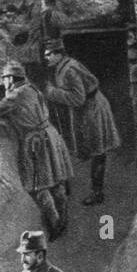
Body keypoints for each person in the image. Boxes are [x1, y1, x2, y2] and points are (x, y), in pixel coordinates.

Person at [0, 61, 74, 239]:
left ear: (11, 78)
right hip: (50, 136)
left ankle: (55, 225)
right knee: (56, 181)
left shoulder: (16, 95)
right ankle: (63, 220)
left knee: (37, 186)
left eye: (5, 79)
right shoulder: (31, 89)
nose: (3, 83)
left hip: (35, 141)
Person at [44, 38, 121, 206]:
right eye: (45, 54)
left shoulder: (70, 69)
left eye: (49, 54)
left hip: (93, 110)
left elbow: (78, 98)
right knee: (91, 149)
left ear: (59, 54)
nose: (46, 57)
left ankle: (97, 193)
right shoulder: (62, 66)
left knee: (98, 152)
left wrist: (53, 93)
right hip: (86, 111)